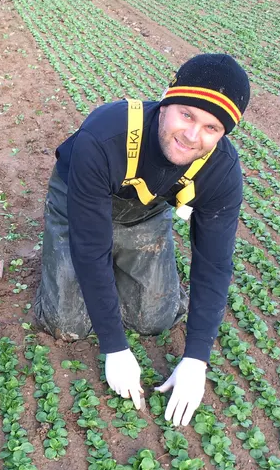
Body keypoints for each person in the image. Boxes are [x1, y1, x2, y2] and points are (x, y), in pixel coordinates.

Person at [34, 53, 250, 427]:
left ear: (223, 134)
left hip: (144, 213)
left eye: (212, 128)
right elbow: (89, 245)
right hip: (78, 205)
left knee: (156, 318)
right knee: (66, 322)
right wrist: (115, 348)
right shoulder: (106, 135)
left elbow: (213, 264)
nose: (192, 135)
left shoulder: (222, 173)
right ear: (167, 98)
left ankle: (126, 264)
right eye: (187, 114)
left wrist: (196, 360)